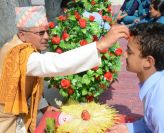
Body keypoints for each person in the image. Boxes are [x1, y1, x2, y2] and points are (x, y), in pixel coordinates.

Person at [0, 6, 129, 132]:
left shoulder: (20, 46)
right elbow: (56, 63)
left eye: (47, 31)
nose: (46, 37)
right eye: (40, 33)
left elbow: (28, 85)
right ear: (22, 35)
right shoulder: (19, 54)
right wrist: (101, 45)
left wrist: (44, 106)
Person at [106, 22, 164, 133]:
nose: (124, 54)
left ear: (148, 61)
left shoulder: (163, 107)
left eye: (129, 52)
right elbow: (150, 122)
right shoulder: (160, 80)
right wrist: (129, 128)